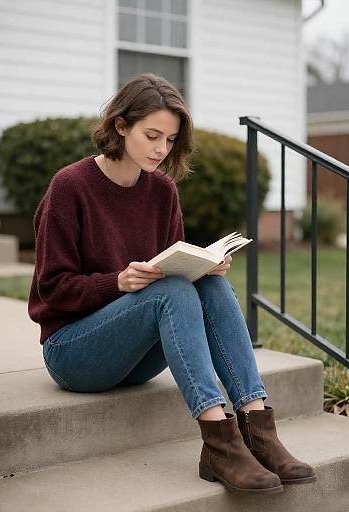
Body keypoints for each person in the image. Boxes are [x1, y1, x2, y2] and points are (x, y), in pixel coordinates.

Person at [28, 73, 316, 495]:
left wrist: (202, 268)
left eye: (170, 139)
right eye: (152, 135)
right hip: (74, 352)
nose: (161, 149)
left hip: (137, 356)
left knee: (210, 287)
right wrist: (118, 282)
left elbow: (170, 270)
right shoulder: (70, 186)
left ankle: (257, 428)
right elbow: (50, 290)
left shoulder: (162, 190)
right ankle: (218, 438)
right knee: (170, 292)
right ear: (120, 126)